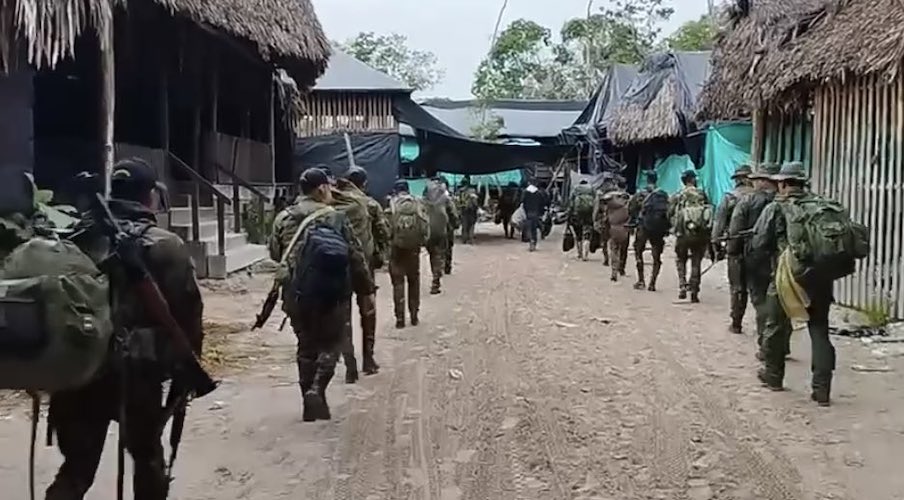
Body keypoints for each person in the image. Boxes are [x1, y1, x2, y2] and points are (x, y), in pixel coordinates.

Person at [46, 158, 204, 500]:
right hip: (138, 375)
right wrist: (187, 368)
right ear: (151, 197)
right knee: (147, 460)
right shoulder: (165, 245)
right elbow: (189, 313)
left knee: (75, 470)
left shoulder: (74, 238)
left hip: (79, 366)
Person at [268, 168, 375, 421]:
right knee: (331, 345)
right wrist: (366, 291)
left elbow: (275, 254)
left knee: (306, 347)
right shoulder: (335, 218)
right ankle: (318, 389)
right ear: (321, 189)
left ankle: (309, 403)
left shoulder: (284, 217)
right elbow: (356, 256)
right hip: (331, 293)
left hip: (296, 293)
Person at [751, 162, 835, 405]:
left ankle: (773, 374)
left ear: (784, 184)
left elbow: (758, 243)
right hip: (820, 277)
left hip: (787, 276)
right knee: (819, 330)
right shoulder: (822, 205)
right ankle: (822, 390)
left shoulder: (777, 207)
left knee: (776, 324)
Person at [730, 163, 782, 354]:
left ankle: (765, 344)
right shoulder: (785, 201)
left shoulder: (747, 201)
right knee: (782, 301)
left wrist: (732, 253)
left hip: (757, 256)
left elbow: (735, 231)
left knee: (760, 299)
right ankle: (782, 346)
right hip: (785, 258)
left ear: (761, 181)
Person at [343, 166, 390, 375]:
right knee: (368, 311)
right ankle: (368, 360)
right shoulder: (370, 204)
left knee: (343, 315)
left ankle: (349, 364)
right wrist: (381, 254)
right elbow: (383, 231)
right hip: (364, 264)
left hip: (339, 264)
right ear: (364, 183)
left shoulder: (334, 203)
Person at [712, 164, 754, 333]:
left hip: (735, 245)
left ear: (737, 180)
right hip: (759, 247)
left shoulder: (729, 197)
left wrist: (716, 244)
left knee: (737, 286)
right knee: (760, 287)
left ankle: (736, 322)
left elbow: (718, 223)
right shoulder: (763, 198)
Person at [385, 180, 428, 328]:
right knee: (413, 281)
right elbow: (425, 226)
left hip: (396, 249)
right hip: (413, 249)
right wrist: (421, 242)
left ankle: (400, 319)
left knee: (398, 283)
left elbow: (386, 229)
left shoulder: (391, 204)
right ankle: (414, 315)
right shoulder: (417, 203)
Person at [670, 170, 712, 303]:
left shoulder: (678, 195)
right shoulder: (702, 194)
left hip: (683, 233)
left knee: (680, 259)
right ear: (693, 179)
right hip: (700, 233)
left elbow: (670, 212)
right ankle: (694, 291)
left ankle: (682, 286)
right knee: (696, 261)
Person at [629, 171, 668, 291]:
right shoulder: (663, 195)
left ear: (647, 180)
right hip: (658, 228)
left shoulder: (641, 194)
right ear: (657, 180)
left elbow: (631, 208)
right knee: (656, 256)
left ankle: (641, 280)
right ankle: (653, 283)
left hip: (643, 227)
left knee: (638, 251)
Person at [423, 176, 458, 293]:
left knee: (432, 254)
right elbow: (453, 213)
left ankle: (436, 271)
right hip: (441, 230)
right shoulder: (445, 198)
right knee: (439, 253)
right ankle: (436, 279)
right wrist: (455, 224)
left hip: (428, 231)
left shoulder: (424, 199)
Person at [595, 183, 631, 282]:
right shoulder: (628, 200)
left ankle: (614, 271)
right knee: (624, 250)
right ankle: (622, 269)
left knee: (614, 249)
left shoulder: (610, 200)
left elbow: (601, 207)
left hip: (613, 228)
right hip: (625, 228)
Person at [568, 179, 596, 260]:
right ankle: (585, 255)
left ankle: (579, 253)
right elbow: (596, 202)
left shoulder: (576, 189)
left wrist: (570, 213)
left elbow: (571, 202)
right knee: (587, 234)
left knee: (578, 235)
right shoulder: (592, 189)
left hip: (577, 214)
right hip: (589, 214)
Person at [520, 179, 547, 251]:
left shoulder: (526, 193)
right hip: (536, 213)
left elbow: (523, 203)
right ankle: (533, 243)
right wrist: (541, 213)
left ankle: (530, 242)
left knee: (528, 228)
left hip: (528, 213)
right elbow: (542, 204)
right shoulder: (539, 193)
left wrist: (525, 212)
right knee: (534, 229)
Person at [457, 178, 480, 244]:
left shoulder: (460, 191)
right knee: (471, 225)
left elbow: (457, 201)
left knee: (464, 225)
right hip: (472, 211)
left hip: (464, 210)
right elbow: (475, 202)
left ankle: (464, 239)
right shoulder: (472, 190)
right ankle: (471, 238)